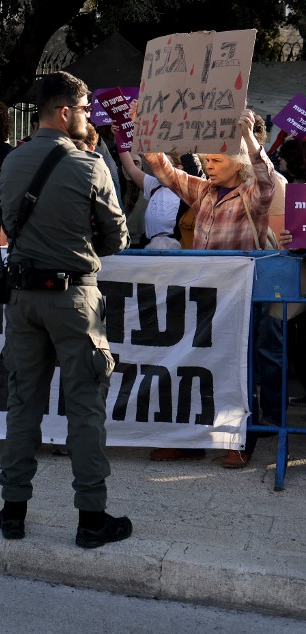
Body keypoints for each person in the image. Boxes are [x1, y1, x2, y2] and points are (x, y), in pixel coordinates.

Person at [0, 71, 130, 549]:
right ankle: (91, 519)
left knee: (21, 405)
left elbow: (8, 222)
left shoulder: (9, 163)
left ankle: (13, 512)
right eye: (86, 109)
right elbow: (117, 238)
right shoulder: (90, 165)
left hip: (23, 300)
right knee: (86, 409)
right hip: (74, 301)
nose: (89, 118)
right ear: (65, 112)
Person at [142, 108, 280, 468]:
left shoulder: (253, 194)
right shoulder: (202, 192)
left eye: (217, 159)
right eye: (206, 160)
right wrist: (145, 125)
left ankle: (238, 443)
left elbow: (267, 177)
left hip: (241, 298)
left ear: (238, 162)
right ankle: (190, 442)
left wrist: (249, 137)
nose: (209, 166)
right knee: (196, 365)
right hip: (203, 296)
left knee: (237, 368)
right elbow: (164, 170)